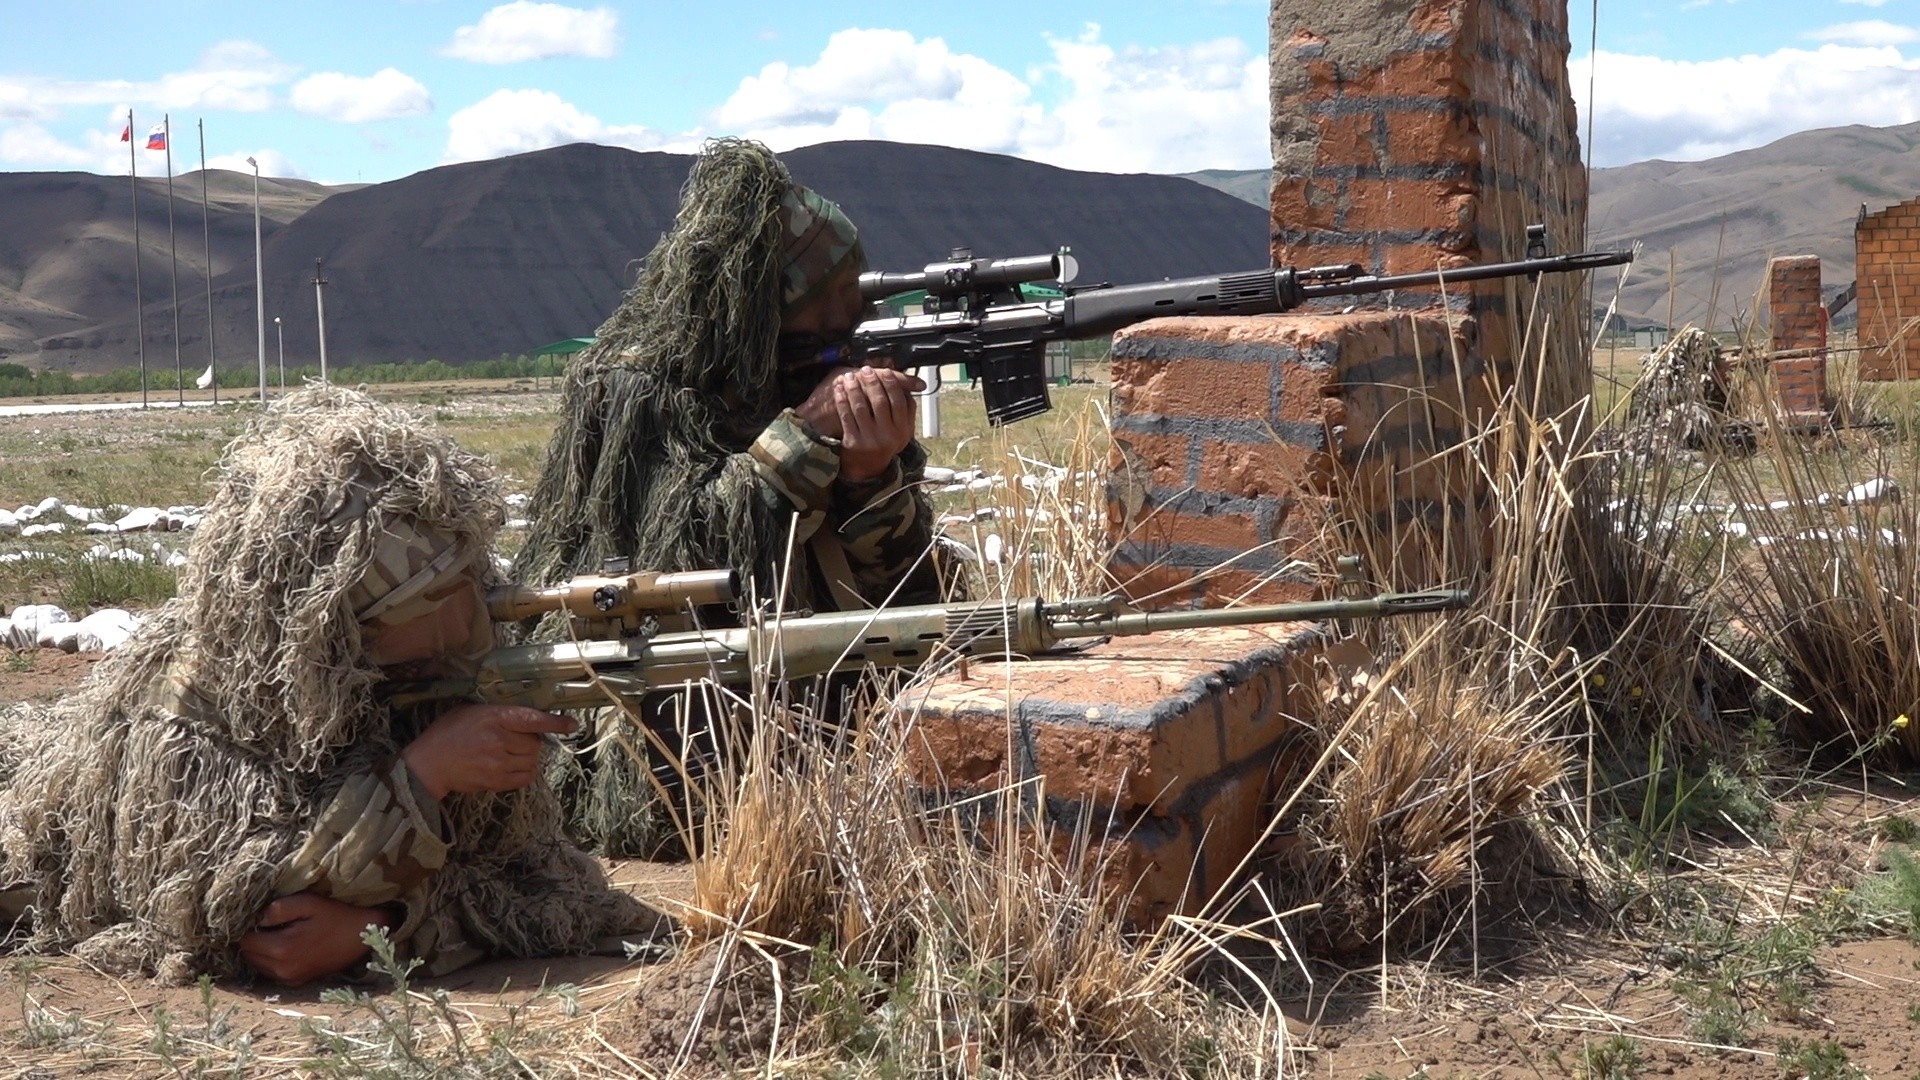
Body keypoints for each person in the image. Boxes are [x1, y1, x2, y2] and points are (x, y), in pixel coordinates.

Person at [0, 387, 656, 986]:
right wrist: (423, 778)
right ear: (324, 628)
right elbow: (248, 919)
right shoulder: (195, 715)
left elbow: (533, 886)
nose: (471, 626)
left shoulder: (435, 686)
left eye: (472, 583)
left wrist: (390, 932)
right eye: (430, 603)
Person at [512, 139, 949, 854]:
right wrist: (800, 444)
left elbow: (900, 584)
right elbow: (663, 570)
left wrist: (874, 475)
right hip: (675, 729)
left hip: (822, 713)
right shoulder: (634, 390)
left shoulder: (811, 376)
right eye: (823, 307)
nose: (844, 329)